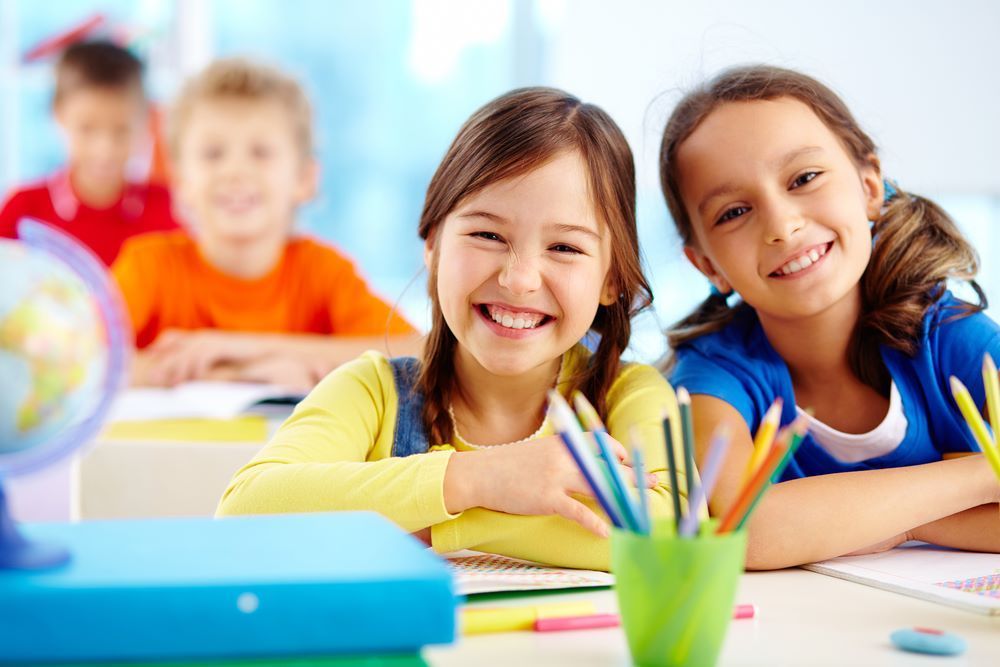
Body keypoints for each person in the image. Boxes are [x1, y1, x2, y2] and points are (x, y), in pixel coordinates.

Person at [218, 87, 684, 570]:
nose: (519, 279)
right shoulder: (374, 393)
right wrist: (479, 478)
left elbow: (670, 531)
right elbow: (244, 510)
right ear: (434, 245)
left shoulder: (629, 394)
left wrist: (442, 522)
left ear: (611, 279)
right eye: (487, 235)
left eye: (564, 248)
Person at [660, 64, 1000, 570]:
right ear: (709, 265)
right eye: (733, 212)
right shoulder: (712, 375)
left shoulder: (954, 342)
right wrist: (976, 480)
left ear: (868, 187)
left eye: (804, 178)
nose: (781, 224)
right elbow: (741, 530)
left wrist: (849, 519)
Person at [112, 58, 420, 390]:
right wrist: (238, 374)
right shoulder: (149, 266)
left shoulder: (323, 273)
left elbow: (423, 353)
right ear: (182, 180)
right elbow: (82, 359)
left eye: (260, 152)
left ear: (305, 178)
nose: (235, 170)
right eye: (213, 153)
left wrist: (246, 347)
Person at [0, 40, 178, 265]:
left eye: (121, 130)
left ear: (146, 119)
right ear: (59, 114)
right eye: (87, 128)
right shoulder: (23, 211)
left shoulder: (168, 210)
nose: (104, 149)